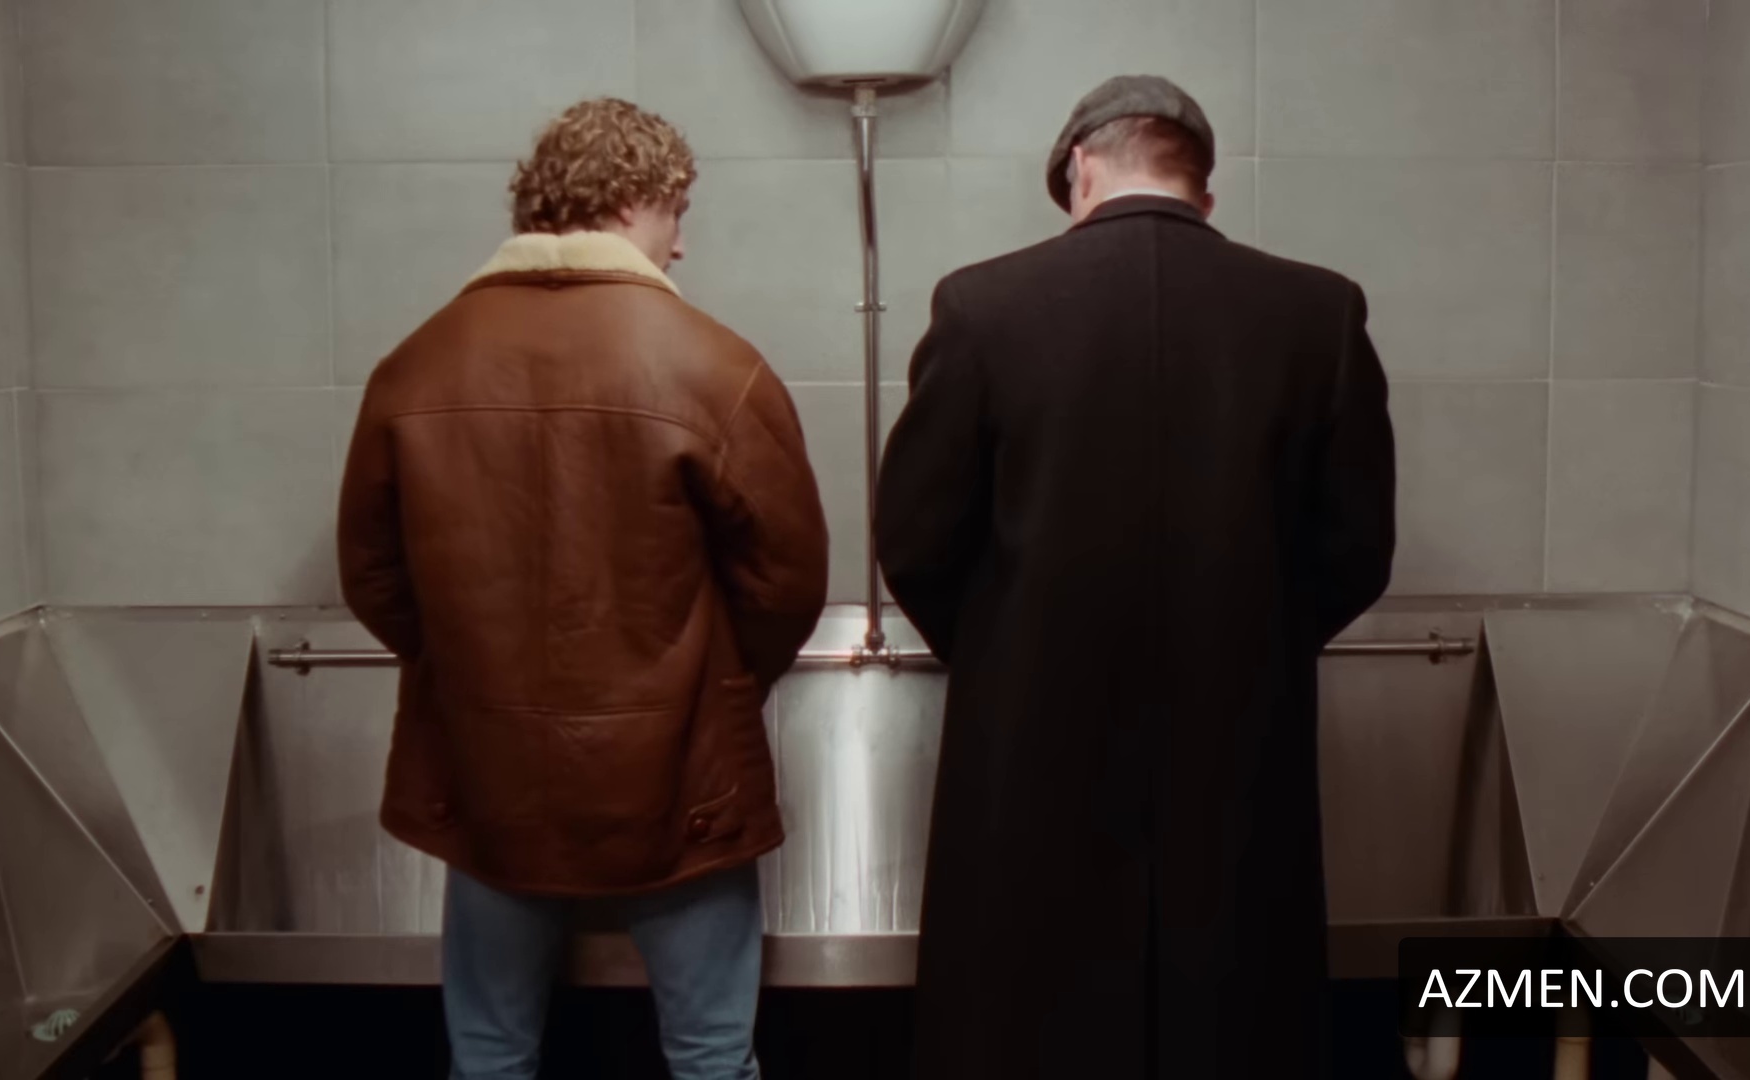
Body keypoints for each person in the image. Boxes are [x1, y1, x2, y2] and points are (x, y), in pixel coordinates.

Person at [875, 75, 1397, 1079]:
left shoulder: (981, 306)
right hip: (1240, 751)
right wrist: (1259, 637)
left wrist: (1006, 649)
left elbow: (915, 540)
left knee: (1028, 1027)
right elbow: (1356, 548)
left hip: (1030, 754)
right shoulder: (1319, 311)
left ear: (1080, 170)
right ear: (1205, 190)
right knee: (1233, 1024)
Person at [337, 97, 830, 1080]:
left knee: (490, 1061)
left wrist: (468, 673)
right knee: (711, 1061)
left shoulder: (415, 365)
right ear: (635, 201)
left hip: (488, 779)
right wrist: (708, 685)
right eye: (677, 214)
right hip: (680, 780)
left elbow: (375, 578)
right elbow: (786, 583)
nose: (681, 245)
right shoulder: (713, 365)